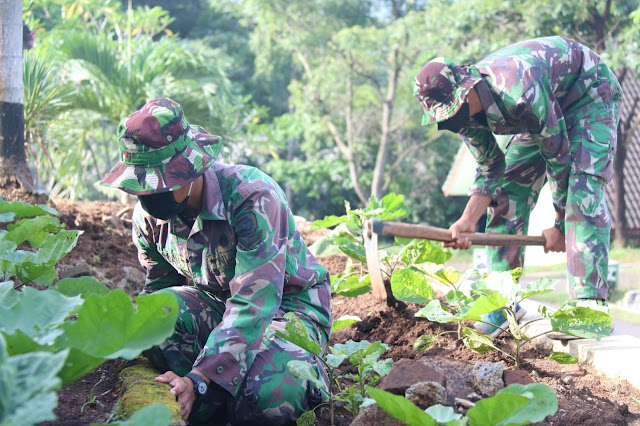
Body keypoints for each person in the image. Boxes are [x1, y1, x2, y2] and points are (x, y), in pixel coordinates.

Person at [101, 98, 332, 424]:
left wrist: (198, 378)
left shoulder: (251, 197)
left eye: (159, 184)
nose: (148, 197)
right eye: (141, 188)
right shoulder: (149, 220)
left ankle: (248, 393)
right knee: (157, 316)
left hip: (287, 311)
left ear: (188, 170)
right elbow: (160, 291)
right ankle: (207, 403)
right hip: (219, 307)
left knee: (274, 393)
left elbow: (256, 305)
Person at [413, 36, 620, 336]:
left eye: (453, 111)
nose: (453, 121)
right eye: (444, 118)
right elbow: (490, 166)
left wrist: (561, 225)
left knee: (582, 191)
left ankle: (590, 309)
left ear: (468, 87)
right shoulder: (464, 116)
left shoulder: (517, 87)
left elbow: (558, 156)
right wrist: (468, 221)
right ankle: (500, 302)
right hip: (547, 111)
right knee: (507, 191)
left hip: (588, 96)